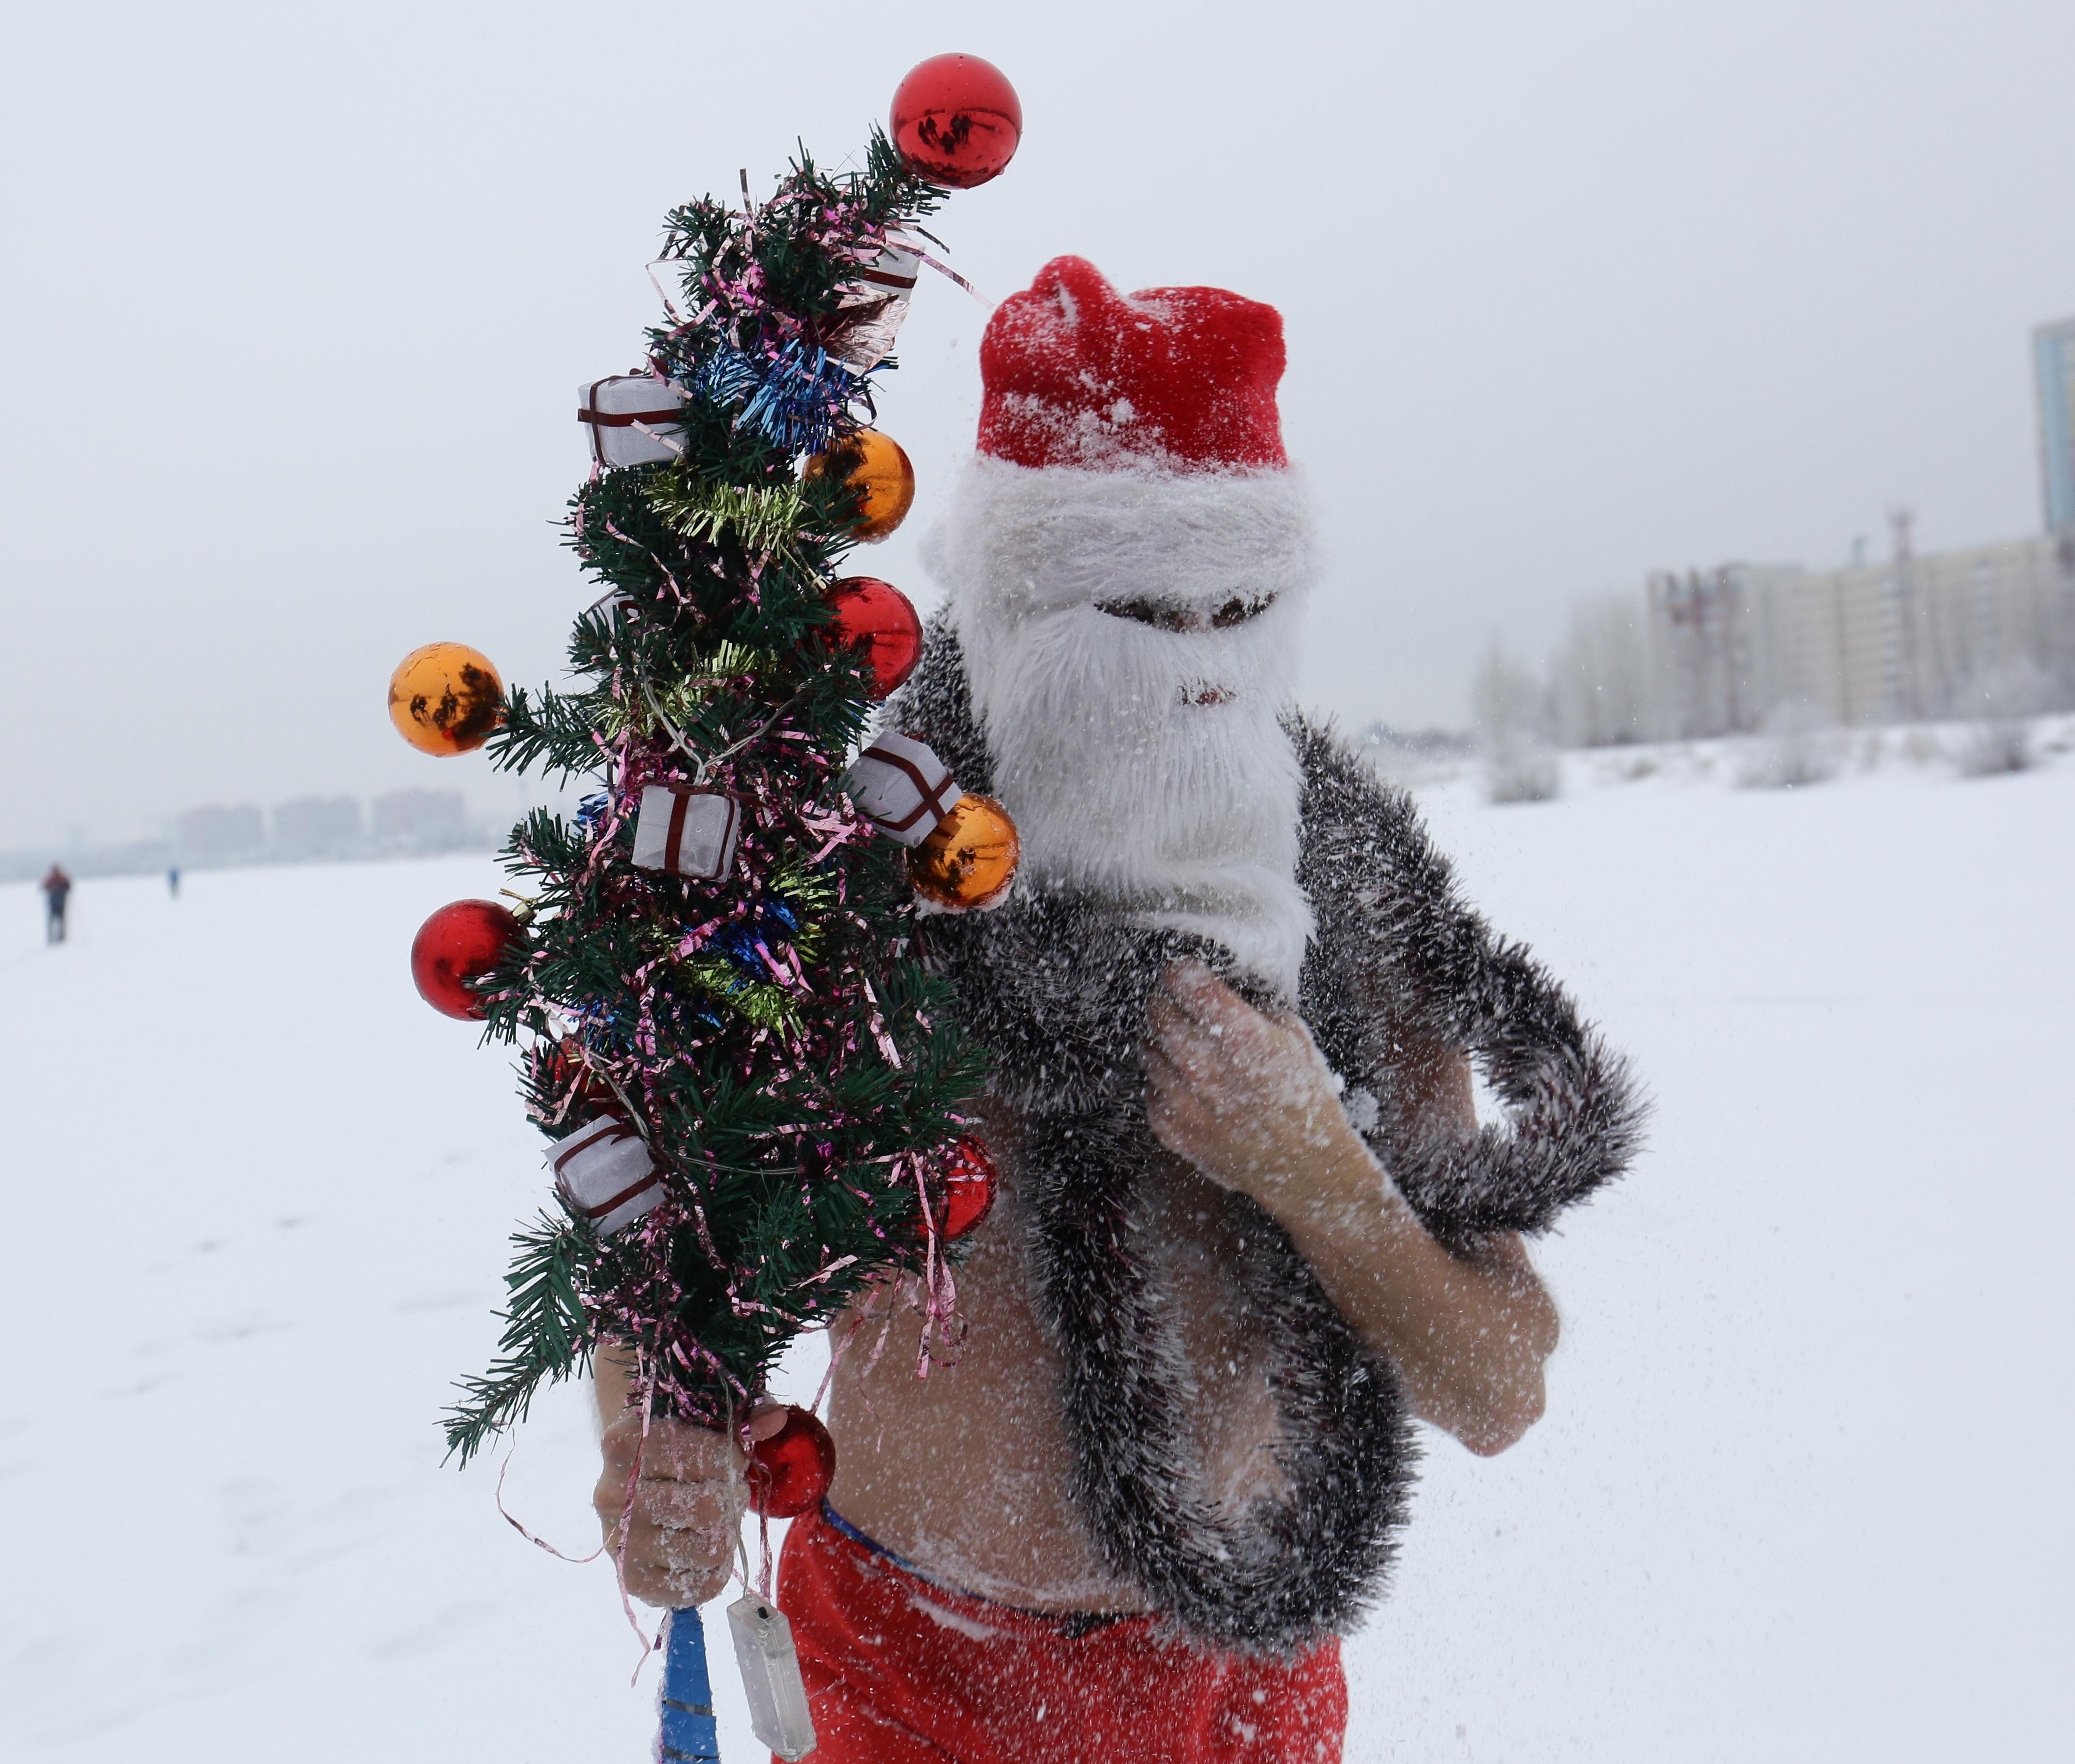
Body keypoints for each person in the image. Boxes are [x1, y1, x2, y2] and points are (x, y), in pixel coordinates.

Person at [591, 258, 1641, 1763]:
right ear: (1015, 610)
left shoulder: (1345, 915)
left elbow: (1495, 1388)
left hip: (1236, 1683)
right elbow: (656, 1231)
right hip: (902, 1669)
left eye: (1235, 614)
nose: (1194, 677)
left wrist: (1314, 1171)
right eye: (1138, 614)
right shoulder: (854, 882)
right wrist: (652, 1460)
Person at [40, 865, 71, 944]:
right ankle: (59, 937)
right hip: (59, 902)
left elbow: (45, 886)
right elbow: (68, 886)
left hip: (55, 902)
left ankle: (53, 938)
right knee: (60, 920)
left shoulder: (52, 879)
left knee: (54, 920)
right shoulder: (61, 878)